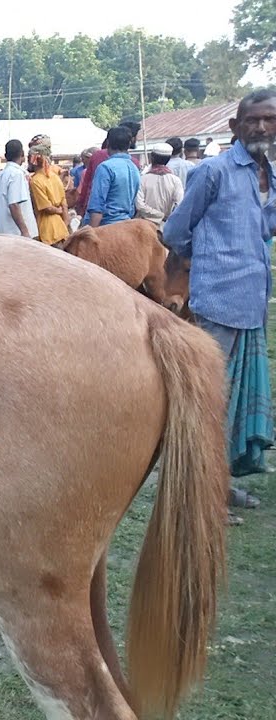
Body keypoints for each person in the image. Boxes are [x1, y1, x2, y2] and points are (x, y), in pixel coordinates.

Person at [163, 89, 276, 524]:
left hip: (253, 303)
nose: (261, 127)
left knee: (232, 401)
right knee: (208, 401)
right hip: (218, 300)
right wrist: (208, 260)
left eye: (269, 119)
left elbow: (262, 225)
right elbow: (175, 231)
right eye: (253, 120)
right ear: (235, 126)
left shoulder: (269, 175)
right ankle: (195, 496)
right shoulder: (213, 171)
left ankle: (220, 484)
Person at [87, 126, 140, 227]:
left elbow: (97, 205)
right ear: (129, 144)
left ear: (108, 143)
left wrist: (91, 234)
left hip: (106, 227)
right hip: (127, 225)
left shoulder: (105, 167)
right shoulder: (134, 167)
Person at [0, 139, 37, 238]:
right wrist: (24, 231)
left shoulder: (3, 174)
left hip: (4, 232)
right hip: (15, 234)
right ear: (22, 154)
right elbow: (14, 204)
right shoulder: (16, 174)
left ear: (5, 155)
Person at [135, 143, 185, 227]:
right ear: (168, 159)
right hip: (165, 226)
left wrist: (159, 215)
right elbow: (180, 205)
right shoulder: (175, 180)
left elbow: (139, 205)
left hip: (144, 226)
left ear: (152, 157)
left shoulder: (142, 179)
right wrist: (164, 217)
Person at [27, 141, 68, 245]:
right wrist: (61, 213)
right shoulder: (55, 177)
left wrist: (57, 210)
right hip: (61, 228)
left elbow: (47, 208)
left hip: (47, 231)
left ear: (33, 161)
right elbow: (64, 203)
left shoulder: (35, 181)